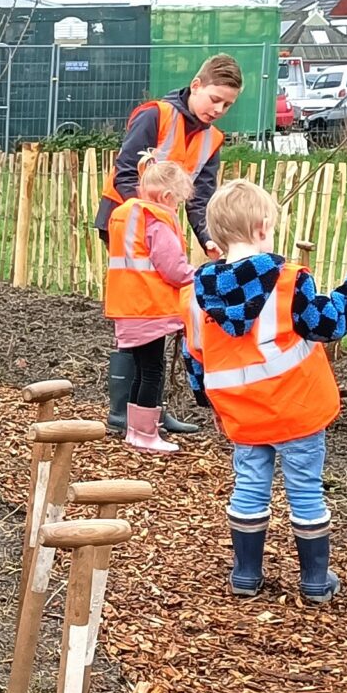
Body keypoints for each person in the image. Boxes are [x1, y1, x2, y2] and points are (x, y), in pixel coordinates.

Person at [181, 178, 347, 605]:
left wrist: (210, 405)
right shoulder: (288, 280)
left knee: (249, 485)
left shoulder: (196, 294)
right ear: (262, 228)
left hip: (243, 415)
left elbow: (194, 356)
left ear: (215, 238)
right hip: (298, 409)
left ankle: (246, 576)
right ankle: (314, 582)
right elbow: (328, 323)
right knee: (305, 489)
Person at [97, 54, 245, 433]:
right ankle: (126, 411)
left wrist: (209, 238)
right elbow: (127, 169)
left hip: (158, 227)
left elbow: (200, 195)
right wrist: (149, 217)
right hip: (127, 224)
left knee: (155, 315)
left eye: (227, 104)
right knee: (140, 315)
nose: (219, 109)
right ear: (196, 85)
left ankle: (145, 408)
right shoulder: (156, 115)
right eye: (214, 99)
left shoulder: (212, 139)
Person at [103, 156, 198, 454]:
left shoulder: (127, 216)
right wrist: (196, 276)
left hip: (129, 306)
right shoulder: (157, 222)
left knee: (142, 368)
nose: (177, 208)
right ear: (167, 197)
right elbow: (172, 267)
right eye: (178, 202)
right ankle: (145, 435)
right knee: (153, 370)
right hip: (149, 307)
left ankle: (134, 430)